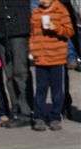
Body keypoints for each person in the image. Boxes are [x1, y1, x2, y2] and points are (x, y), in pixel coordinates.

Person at [0, 0, 34, 128]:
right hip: (0, 29)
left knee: (20, 72)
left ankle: (26, 112)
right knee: (9, 75)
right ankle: (15, 110)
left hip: (18, 26)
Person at [29, 0, 74, 130]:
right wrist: (33, 50)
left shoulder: (61, 10)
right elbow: (33, 34)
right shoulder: (36, 12)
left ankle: (55, 117)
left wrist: (56, 28)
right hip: (41, 59)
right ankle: (39, 117)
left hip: (57, 58)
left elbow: (69, 31)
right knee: (40, 90)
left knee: (57, 91)